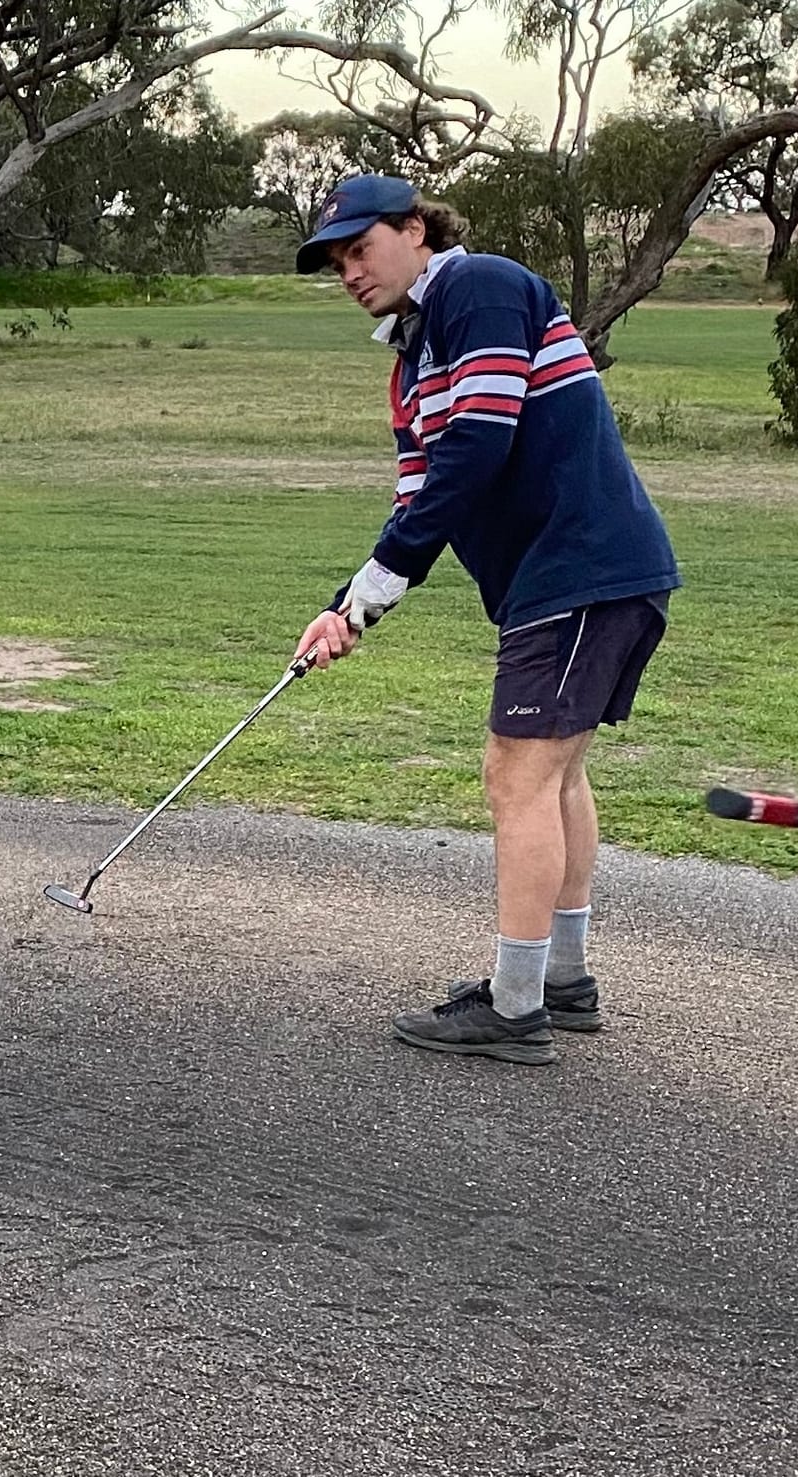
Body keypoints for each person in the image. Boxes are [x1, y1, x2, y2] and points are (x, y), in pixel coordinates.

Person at [291, 174, 680, 1067]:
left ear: (417, 229)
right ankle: (562, 981)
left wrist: (382, 580)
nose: (351, 271)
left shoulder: (478, 287)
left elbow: (480, 438)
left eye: (362, 247)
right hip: (581, 575)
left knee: (518, 775)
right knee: (557, 775)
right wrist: (350, 607)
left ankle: (514, 1008)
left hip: (579, 568)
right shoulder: (412, 359)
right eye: (337, 261)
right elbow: (424, 487)